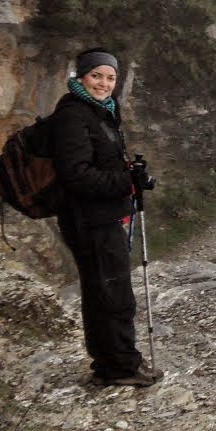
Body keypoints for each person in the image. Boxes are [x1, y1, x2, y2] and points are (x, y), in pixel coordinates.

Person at [50, 48, 162, 388]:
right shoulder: (73, 116)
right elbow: (76, 175)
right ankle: (121, 367)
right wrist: (126, 181)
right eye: (96, 75)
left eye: (110, 77)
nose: (104, 83)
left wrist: (130, 173)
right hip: (89, 220)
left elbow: (100, 163)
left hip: (99, 216)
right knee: (114, 295)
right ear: (80, 77)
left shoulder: (100, 112)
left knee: (101, 291)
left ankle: (108, 363)